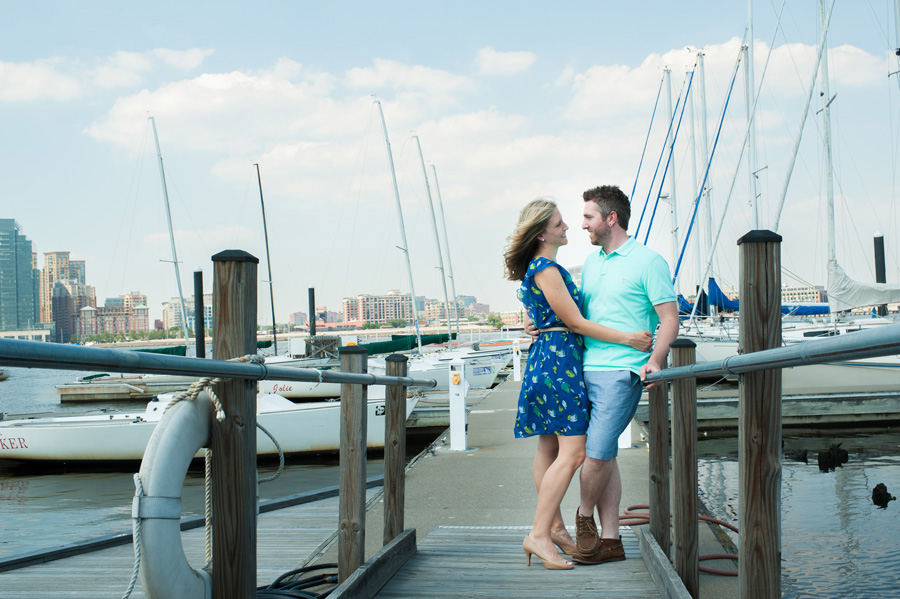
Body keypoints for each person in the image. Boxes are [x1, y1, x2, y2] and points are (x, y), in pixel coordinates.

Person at [503, 197, 652, 570]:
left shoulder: (541, 268)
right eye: (559, 223)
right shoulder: (547, 269)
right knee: (574, 453)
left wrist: (532, 321)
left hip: (549, 359)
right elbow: (575, 323)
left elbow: (545, 311)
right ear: (541, 233)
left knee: (549, 450)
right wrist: (629, 339)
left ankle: (552, 528)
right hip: (558, 364)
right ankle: (539, 534)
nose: (568, 226)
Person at [570, 184, 679, 565]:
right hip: (585, 367)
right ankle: (612, 541)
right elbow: (580, 317)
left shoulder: (649, 262)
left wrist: (657, 359)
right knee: (605, 454)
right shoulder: (594, 263)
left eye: (588, 217)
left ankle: (584, 519)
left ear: (610, 218)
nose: (582, 224)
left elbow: (669, 319)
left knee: (596, 454)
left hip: (623, 372)